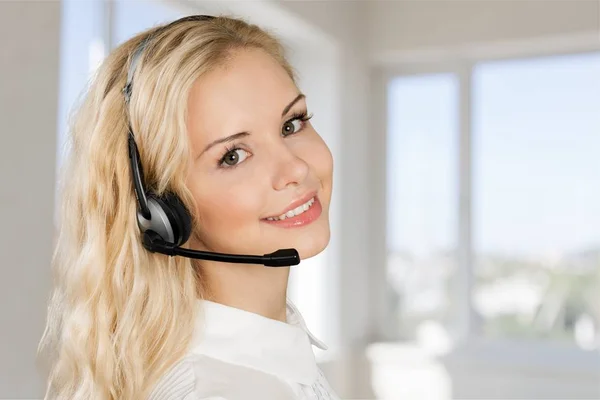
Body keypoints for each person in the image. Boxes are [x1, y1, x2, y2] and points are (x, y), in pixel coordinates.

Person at [38, 14, 337, 400]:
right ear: (161, 210)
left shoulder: (267, 364)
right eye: (233, 155)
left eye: (292, 124)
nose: (295, 168)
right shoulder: (220, 390)